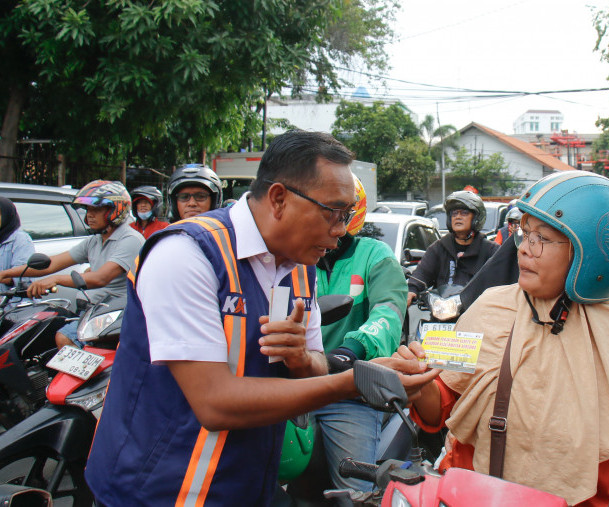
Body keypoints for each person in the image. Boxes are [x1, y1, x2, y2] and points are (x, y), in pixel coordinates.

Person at [84, 131, 438, 506]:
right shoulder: (186, 254)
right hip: (156, 489)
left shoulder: (301, 268)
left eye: (347, 215)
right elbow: (215, 402)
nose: (340, 231)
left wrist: (303, 360)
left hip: (246, 486)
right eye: (333, 213)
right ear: (279, 198)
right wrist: (353, 383)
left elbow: (316, 366)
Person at [396, 171, 609, 506]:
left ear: (591, 251)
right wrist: (418, 383)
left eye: (541, 238)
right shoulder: (490, 307)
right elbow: (443, 404)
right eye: (524, 234)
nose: (524, 250)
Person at [311, 175, 408, 494]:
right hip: (294, 384)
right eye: (326, 209)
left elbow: (389, 312)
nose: (332, 220)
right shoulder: (295, 255)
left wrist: (352, 349)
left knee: (355, 491)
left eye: (339, 211)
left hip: (349, 390)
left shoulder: (375, 255)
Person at [0, 181, 144, 348]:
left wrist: (55, 280)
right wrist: (8, 273)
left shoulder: (130, 240)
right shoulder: (94, 241)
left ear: (116, 210)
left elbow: (100, 278)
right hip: (92, 312)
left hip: (116, 316)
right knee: (39, 326)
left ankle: (86, 375)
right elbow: (52, 263)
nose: (89, 215)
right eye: (88, 210)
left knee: (64, 337)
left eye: (96, 209)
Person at [407, 191, 498, 306]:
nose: (458, 217)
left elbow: (501, 279)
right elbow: (423, 273)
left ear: (476, 218)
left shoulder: (491, 250)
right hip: (441, 310)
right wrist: (412, 289)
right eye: (454, 213)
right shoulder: (439, 248)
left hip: (477, 312)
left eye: (464, 213)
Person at [0, 197, 35, 293]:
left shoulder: (20, 239)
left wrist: (4, 277)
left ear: (6, 215)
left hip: (14, 303)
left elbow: (23, 278)